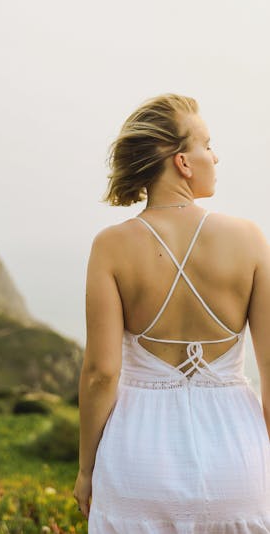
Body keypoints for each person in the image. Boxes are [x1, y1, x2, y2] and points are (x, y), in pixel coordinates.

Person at [73, 93, 270, 532]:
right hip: (237, 460)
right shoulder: (250, 239)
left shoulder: (111, 246)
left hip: (138, 460)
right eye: (207, 145)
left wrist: (87, 470)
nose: (214, 156)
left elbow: (101, 373)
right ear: (182, 162)